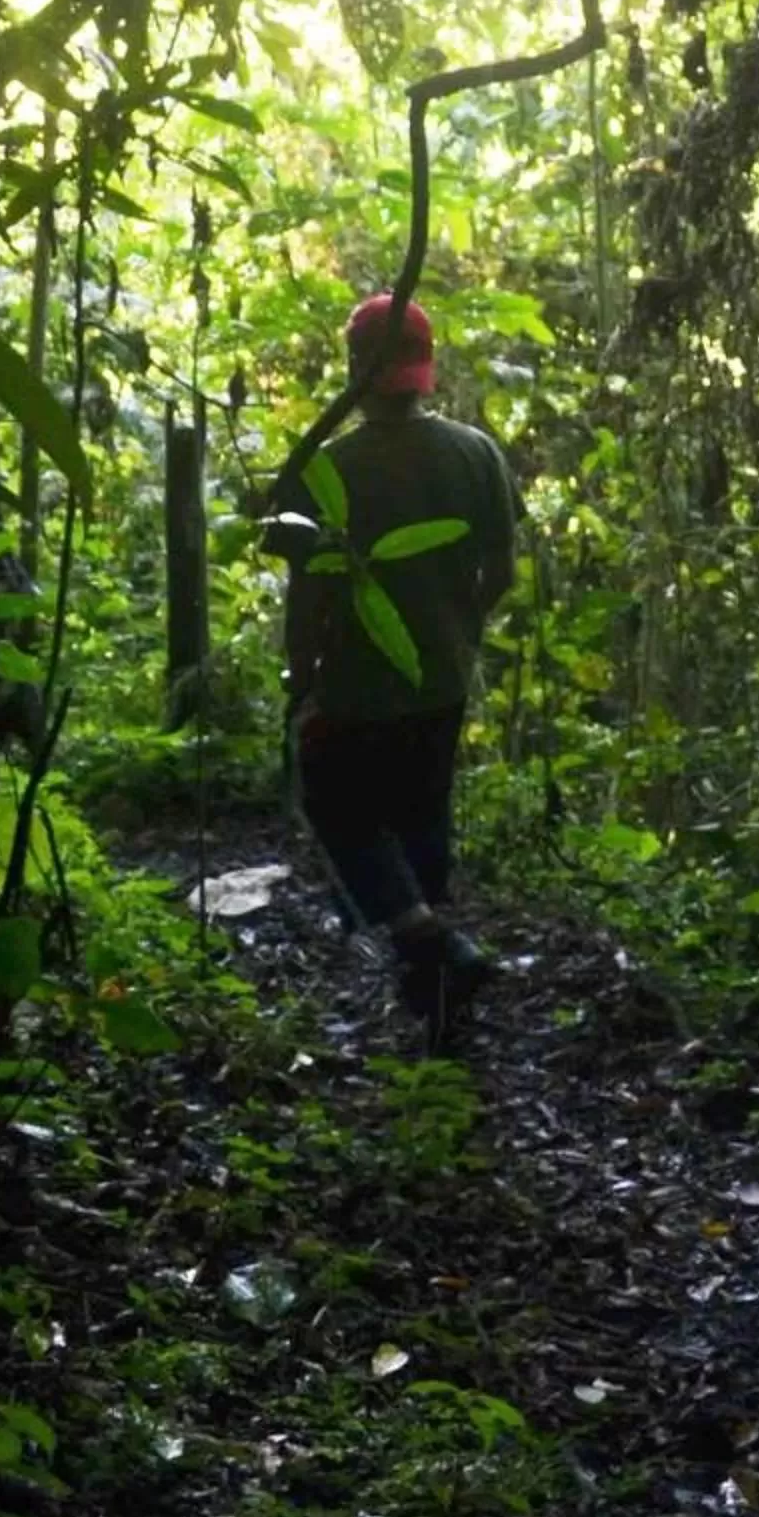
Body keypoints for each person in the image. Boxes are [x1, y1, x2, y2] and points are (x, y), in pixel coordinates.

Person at [278, 293, 523, 1044]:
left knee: (336, 804)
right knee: (422, 810)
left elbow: (306, 591)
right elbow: (501, 570)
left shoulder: (325, 468)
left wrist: (301, 677)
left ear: (357, 369)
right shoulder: (475, 453)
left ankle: (430, 945)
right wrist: (459, 632)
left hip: (355, 684)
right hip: (443, 677)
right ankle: (436, 988)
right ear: (423, 369)